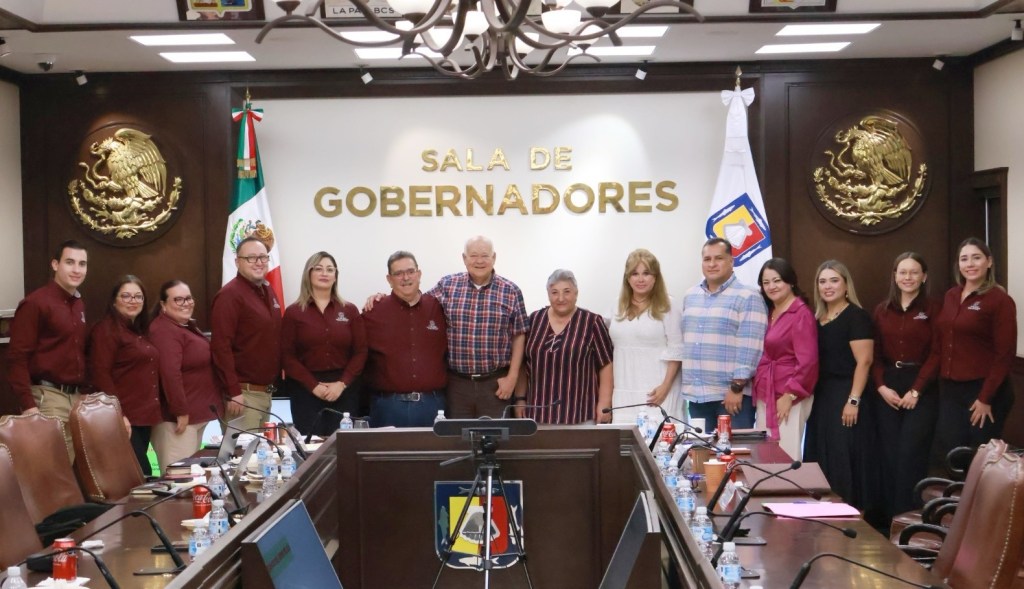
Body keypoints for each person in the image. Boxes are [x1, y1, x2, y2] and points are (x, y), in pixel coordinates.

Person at [918, 238, 1016, 459]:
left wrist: (985, 398)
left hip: (984, 391)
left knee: (979, 458)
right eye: (964, 259)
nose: (970, 264)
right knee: (952, 455)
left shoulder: (999, 300)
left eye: (976, 258)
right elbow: (942, 345)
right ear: (958, 265)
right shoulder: (951, 296)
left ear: (989, 262)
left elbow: (1005, 355)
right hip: (951, 390)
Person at [803, 260, 877, 516]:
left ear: (846, 285)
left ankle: (851, 516)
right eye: (822, 281)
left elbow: (864, 361)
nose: (828, 286)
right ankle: (824, 515)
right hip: (821, 396)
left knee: (844, 456)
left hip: (847, 393)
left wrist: (853, 400)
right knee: (820, 455)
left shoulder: (856, 316)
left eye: (834, 280)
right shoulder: (817, 319)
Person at [425, 236, 528, 419]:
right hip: (457, 385)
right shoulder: (447, 285)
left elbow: (519, 335)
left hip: (496, 384)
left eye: (485, 255)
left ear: (494, 258)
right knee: (457, 435)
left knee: (495, 435)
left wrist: (512, 378)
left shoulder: (511, 291)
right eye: (473, 255)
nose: (479, 261)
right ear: (464, 258)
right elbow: (419, 303)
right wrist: (382, 297)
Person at [871, 252, 941, 518]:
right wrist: (881, 386)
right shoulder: (882, 310)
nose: (908, 277)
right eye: (903, 272)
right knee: (888, 454)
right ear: (895, 276)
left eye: (914, 272)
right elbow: (875, 355)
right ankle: (887, 518)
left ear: (924, 277)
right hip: (888, 387)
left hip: (922, 388)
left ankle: (909, 518)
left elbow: (937, 353)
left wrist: (917, 390)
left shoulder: (934, 309)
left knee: (911, 454)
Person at [6, 240, 89, 458]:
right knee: (51, 468)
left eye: (82, 264)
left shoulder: (78, 303)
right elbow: (16, 358)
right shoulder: (36, 303)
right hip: (47, 398)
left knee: (68, 469)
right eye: (69, 262)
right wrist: (29, 406)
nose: (76, 269)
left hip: (74, 397)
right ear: (55, 264)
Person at [681, 237, 768, 429]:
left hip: (731, 397)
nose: (712, 264)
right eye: (707, 259)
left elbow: (751, 346)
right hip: (697, 397)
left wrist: (737, 387)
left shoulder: (748, 296)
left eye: (718, 258)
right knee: (701, 448)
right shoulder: (690, 296)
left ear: (731, 261)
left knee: (734, 448)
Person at [282, 252, 367, 435]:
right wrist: (313, 386)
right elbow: (287, 356)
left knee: (344, 445)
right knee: (311, 447)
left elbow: (361, 352)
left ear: (336, 276)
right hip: (306, 391)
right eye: (318, 269)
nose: (324, 273)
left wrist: (342, 384)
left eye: (330, 269)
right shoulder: (293, 312)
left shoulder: (350, 310)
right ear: (308, 274)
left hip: (344, 390)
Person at [362, 251, 448, 428]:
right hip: (387, 407)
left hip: (432, 406)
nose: (406, 278)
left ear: (419, 274)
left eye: (410, 271)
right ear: (389, 279)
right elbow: (358, 354)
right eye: (398, 273)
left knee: (434, 448)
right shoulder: (373, 311)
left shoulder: (438, 308)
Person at [516, 270, 613, 424]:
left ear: (576, 293)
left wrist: (604, 403)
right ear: (548, 294)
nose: (561, 298)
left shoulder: (591, 322)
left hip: (580, 413)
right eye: (554, 292)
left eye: (567, 292)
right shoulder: (534, 320)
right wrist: (520, 399)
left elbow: (606, 365)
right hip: (537, 413)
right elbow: (522, 364)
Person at [87, 275, 161, 476]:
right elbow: (100, 374)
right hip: (123, 417)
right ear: (114, 301)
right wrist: (118, 414)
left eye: (138, 296)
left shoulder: (138, 331)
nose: (133, 301)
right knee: (140, 475)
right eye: (126, 296)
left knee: (137, 476)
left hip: (143, 417)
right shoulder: (106, 330)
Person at [148, 280, 225, 471]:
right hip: (177, 421)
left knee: (191, 477)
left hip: (194, 417)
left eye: (188, 298)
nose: (186, 303)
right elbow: (169, 373)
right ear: (163, 304)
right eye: (178, 299)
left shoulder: (183, 325)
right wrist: (180, 411)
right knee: (179, 479)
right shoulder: (164, 330)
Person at [211, 236, 283, 431]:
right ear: (237, 262)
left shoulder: (267, 290)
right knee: (243, 450)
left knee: (261, 450)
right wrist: (233, 391)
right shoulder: (229, 295)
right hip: (243, 396)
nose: (258, 262)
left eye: (263, 257)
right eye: (251, 258)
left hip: (265, 394)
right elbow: (220, 347)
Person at [606, 249, 684, 426]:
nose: (640, 279)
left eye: (646, 273)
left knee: (660, 439)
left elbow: (677, 349)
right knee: (625, 440)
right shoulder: (616, 306)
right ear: (627, 278)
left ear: (655, 277)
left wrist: (665, 387)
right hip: (624, 392)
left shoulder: (668, 305)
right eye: (635, 274)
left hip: (658, 391)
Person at [753, 258, 818, 461]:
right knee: (766, 455)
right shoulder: (770, 311)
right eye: (766, 282)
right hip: (767, 391)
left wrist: (790, 395)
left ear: (790, 282)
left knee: (786, 454)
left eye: (777, 280)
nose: (771, 286)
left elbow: (808, 361)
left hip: (789, 394)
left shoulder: (800, 313)